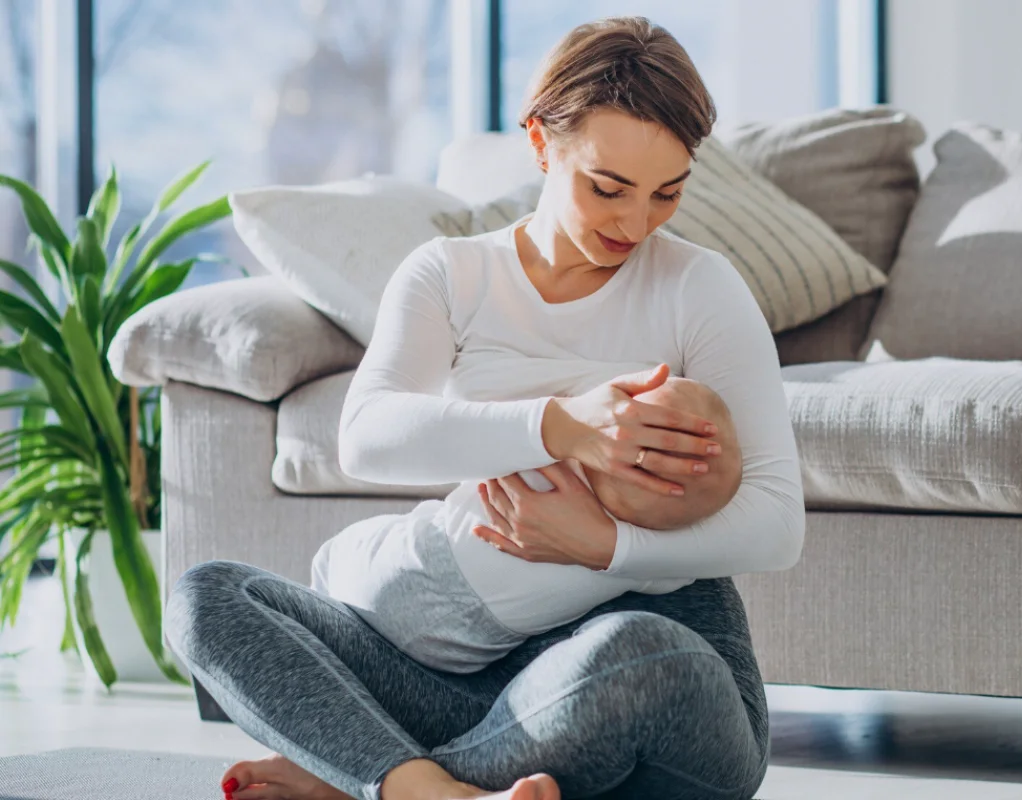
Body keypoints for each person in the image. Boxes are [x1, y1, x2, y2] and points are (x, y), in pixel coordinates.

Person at [163, 15, 803, 800]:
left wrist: (604, 544)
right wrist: (560, 426)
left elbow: (778, 523)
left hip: (642, 678)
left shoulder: (700, 288)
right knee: (207, 597)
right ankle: (429, 789)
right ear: (540, 143)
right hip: (462, 679)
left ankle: (367, 777)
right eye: (608, 188)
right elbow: (365, 436)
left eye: (667, 193)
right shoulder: (454, 275)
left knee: (640, 656)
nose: (635, 225)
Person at [310, 372, 744, 674]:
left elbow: (486, 431)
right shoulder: (656, 570)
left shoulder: (549, 466)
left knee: (330, 561)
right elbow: (683, 567)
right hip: (463, 652)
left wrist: (567, 418)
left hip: (415, 564)